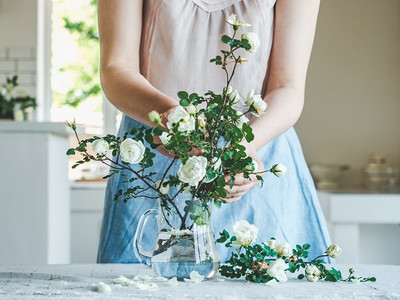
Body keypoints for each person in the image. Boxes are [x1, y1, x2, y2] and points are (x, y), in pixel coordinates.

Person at [97, 0, 332, 263]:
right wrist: (171, 117)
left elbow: (288, 87)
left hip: (256, 150)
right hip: (156, 149)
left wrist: (245, 148)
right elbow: (115, 68)